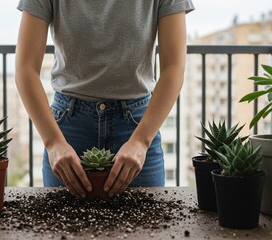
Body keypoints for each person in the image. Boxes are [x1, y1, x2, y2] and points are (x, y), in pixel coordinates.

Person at [15, 0, 195, 198]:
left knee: (146, 227)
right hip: (68, 131)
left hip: (139, 127)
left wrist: (141, 141)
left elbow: (173, 68)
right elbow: (25, 69)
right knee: (62, 228)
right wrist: (53, 143)